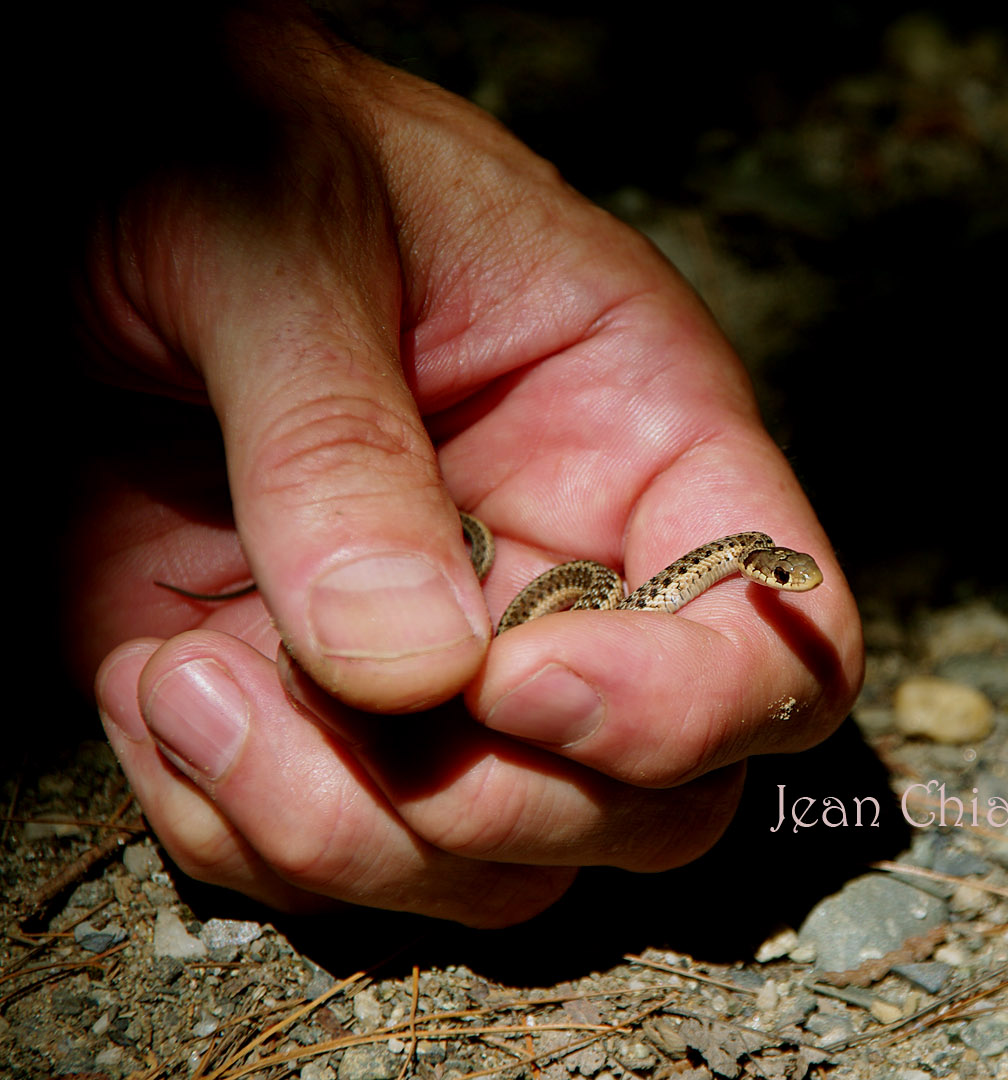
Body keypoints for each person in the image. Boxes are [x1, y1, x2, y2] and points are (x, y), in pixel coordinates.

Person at [60, 2, 864, 926]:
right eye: (783, 574)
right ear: (752, 565)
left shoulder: (707, 563)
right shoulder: (230, 184)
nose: (791, 584)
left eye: (787, 578)